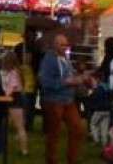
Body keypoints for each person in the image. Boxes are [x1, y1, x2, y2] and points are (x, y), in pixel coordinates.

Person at [39, 33, 85, 164]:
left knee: (77, 129)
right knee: (54, 133)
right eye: (62, 44)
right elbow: (44, 81)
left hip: (68, 100)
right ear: (55, 44)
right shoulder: (49, 59)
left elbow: (69, 76)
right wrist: (65, 82)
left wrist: (79, 78)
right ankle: (51, 160)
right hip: (54, 100)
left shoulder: (65, 58)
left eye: (66, 44)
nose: (65, 47)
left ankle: (72, 159)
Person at [0, 51, 29, 156]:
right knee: (13, 126)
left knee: (19, 126)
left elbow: (11, 89)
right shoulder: (8, 72)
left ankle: (24, 150)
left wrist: (2, 98)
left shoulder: (14, 73)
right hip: (11, 98)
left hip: (15, 99)